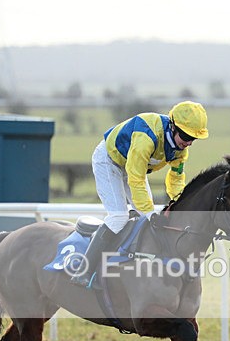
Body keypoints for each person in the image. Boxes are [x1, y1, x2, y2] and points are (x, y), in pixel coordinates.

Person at [72, 100, 209, 287]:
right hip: (109, 161)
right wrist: (150, 212)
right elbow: (135, 178)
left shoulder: (180, 151)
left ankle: (131, 264)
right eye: (186, 136)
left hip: (134, 167)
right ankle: (83, 271)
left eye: (193, 138)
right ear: (172, 126)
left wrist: (180, 204)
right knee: (119, 217)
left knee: (146, 217)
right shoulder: (146, 138)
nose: (188, 142)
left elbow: (176, 180)